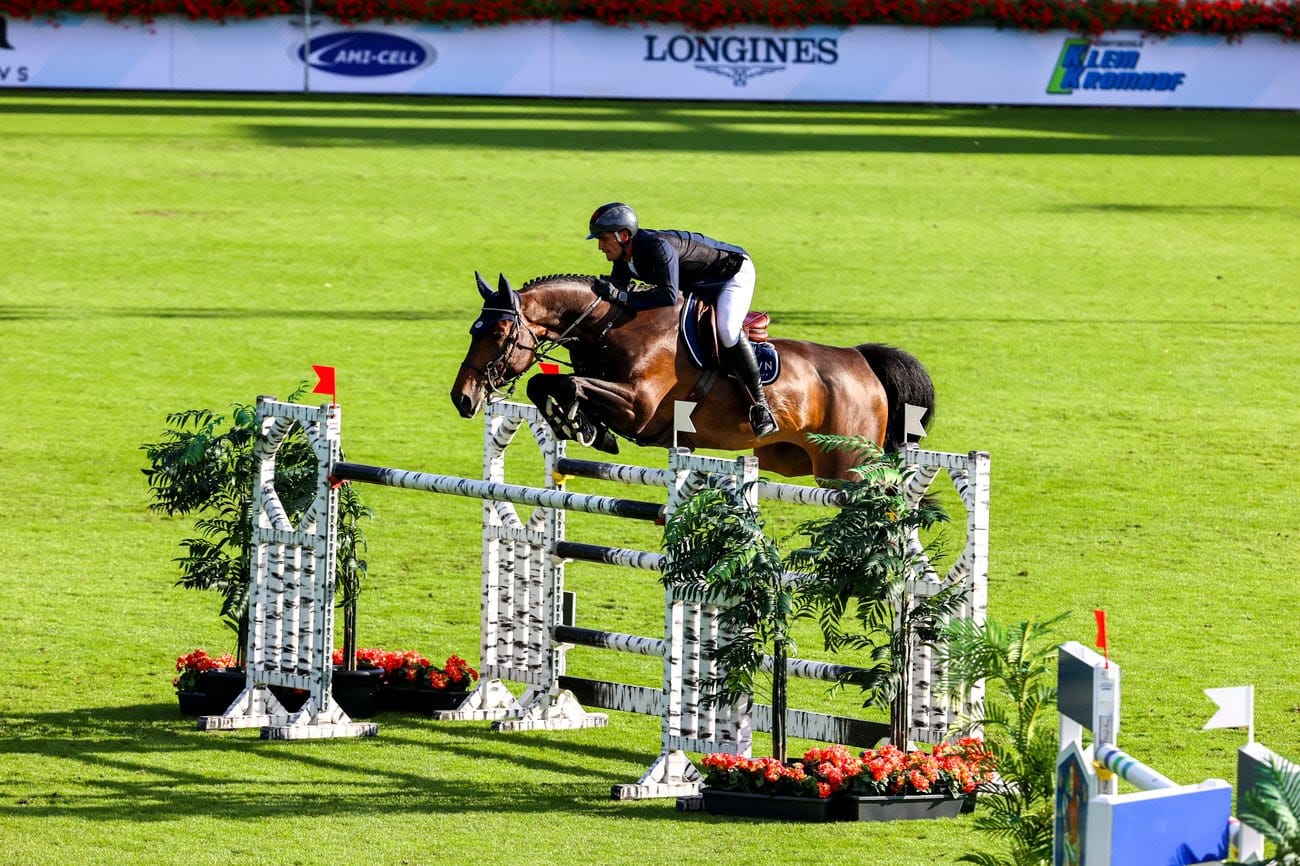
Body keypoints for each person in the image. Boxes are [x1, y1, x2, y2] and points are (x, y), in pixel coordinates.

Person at [584, 202, 778, 438]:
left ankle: (760, 407)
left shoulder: (657, 247)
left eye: (603, 239)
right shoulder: (624, 259)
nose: (600, 247)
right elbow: (619, 295)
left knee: (727, 330)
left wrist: (623, 296)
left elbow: (667, 295)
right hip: (698, 284)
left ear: (623, 236)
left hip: (731, 275)